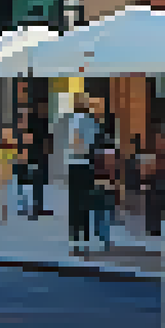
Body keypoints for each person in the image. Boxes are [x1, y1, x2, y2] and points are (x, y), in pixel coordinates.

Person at [64, 93, 100, 252]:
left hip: (75, 163)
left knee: (75, 201)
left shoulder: (74, 119)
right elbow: (93, 141)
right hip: (86, 164)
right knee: (84, 201)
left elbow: (75, 141)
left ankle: (75, 236)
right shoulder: (91, 121)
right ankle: (83, 235)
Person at [0, 128, 19, 224]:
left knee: (3, 196)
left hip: (4, 174)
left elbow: (13, 158)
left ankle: (1, 214)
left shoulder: (11, 147)